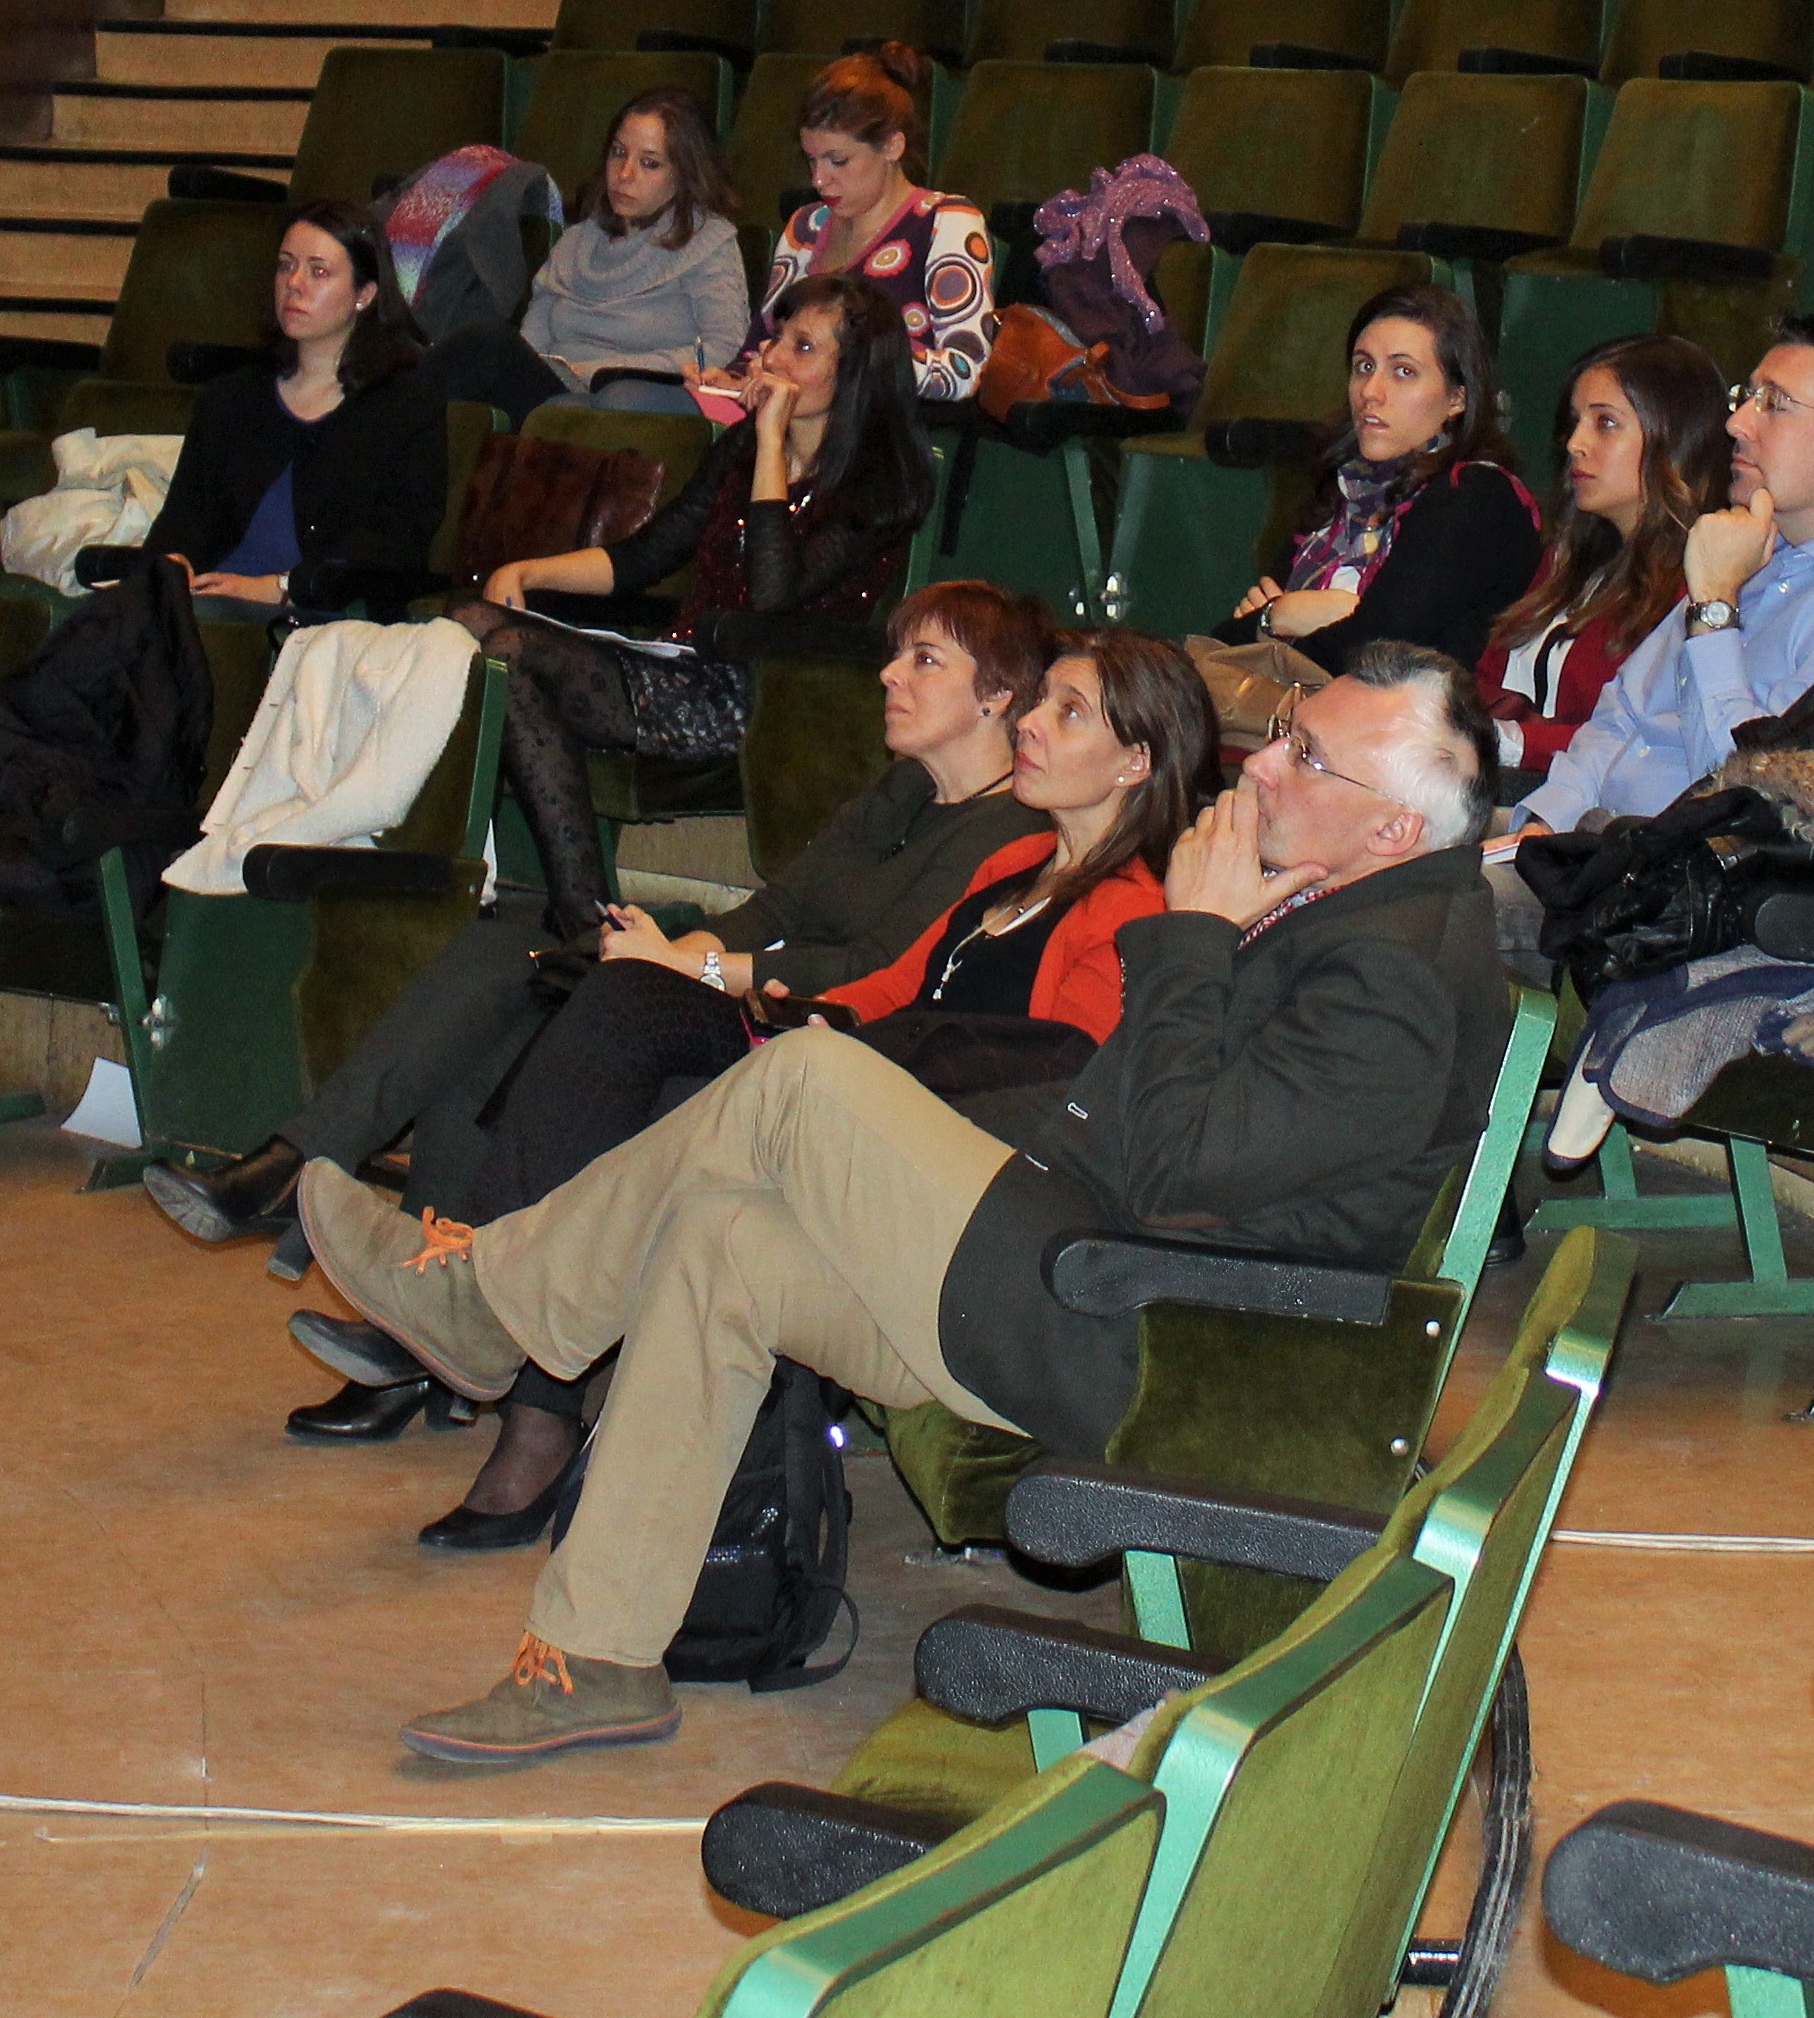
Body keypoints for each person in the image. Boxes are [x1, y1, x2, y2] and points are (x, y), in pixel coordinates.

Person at [284, 649, 1510, 1766]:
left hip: (1146, 1336)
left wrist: (1190, 936)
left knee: (807, 1080)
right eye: (1289, 732)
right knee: (727, 1239)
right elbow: (1144, 1118)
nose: (1266, 765)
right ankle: (596, 1653)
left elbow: (1178, 1165)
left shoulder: (1391, 979)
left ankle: (489, 1302)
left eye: (1308, 757)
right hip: (1084, 1255)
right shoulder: (1344, 904)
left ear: (1395, 825)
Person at [330, 629, 1217, 1553]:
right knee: (628, 999)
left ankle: (510, 1371)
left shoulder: (1132, 909)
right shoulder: (1013, 868)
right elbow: (892, 990)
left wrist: (843, 1053)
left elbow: (1048, 1075)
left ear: (1136, 763)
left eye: (1065, 713)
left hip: (920, 1143)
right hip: (848, 1069)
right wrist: (798, 1011)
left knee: (652, 1098)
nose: (1030, 723)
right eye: (1041, 703)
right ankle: (502, 1344)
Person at [137, 581, 1056, 1283]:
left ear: (999, 695)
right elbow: (777, 908)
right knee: (523, 951)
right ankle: (360, 1227)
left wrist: (690, 965)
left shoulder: (1005, 830)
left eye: (925, 661)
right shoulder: (903, 788)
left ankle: (329, 1207)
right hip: (731, 975)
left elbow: (872, 968)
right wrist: (660, 944)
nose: (890, 674)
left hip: (805, 1033)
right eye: (898, 656)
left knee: (533, 996)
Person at [466, 273, 934, 934]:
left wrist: (771, 441)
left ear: (853, 376)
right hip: (680, 665)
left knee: (503, 645)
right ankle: (584, 919)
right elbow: (647, 555)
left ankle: (582, 916)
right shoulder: (743, 451)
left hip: (762, 697)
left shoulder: (881, 484)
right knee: (479, 636)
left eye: (802, 349)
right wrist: (529, 570)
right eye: (777, 340)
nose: (771, 360)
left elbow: (772, 597)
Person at [1518, 314, 1814, 837]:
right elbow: (1621, 711)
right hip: (1590, 846)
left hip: (1690, 887)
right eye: (1747, 397)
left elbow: (1757, 798)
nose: (1736, 424)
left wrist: (1714, 606)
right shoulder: (1761, 545)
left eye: (1775, 405)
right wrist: (1544, 823)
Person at [1195, 284, 1546, 729]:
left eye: (1403, 372)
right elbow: (1227, 637)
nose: (1370, 392)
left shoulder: (1474, 495)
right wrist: (1278, 616)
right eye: (1364, 367)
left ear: (1458, 397)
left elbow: (1373, 653)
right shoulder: (1342, 495)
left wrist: (1286, 621)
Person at [138, 202, 448, 615]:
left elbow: (393, 550)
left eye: (319, 271)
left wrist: (281, 587)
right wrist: (173, 565)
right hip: (210, 598)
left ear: (365, 294)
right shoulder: (231, 400)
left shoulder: (403, 406)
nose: (294, 283)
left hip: (320, 612)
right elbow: (181, 524)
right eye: (286, 266)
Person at [1482, 338, 1733, 786]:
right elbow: (1486, 677)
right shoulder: (1570, 556)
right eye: (1576, 422)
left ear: (1672, 439)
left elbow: (1640, 739)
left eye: (1606, 423)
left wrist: (1508, 740)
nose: (1576, 444)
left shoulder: (1700, 585)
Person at [416, 90, 754, 420]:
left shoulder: (709, 243)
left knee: (485, 344)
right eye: (618, 153)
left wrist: (598, 370)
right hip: (551, 386)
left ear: (684, 175)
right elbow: (531, 344)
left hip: (630, 395)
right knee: (477, 357)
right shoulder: (575, 241)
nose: (624, 174)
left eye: (649, 163)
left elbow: (724, 346)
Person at [762, 45, 995, 398]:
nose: (819, 181)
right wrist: (733, 374)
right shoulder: (805, 226)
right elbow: (764, 342)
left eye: (837, 161)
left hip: (883, 436)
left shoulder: (945, 222)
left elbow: (966, 370)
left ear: (892, 147)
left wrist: (835, 368)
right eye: (812, 161)